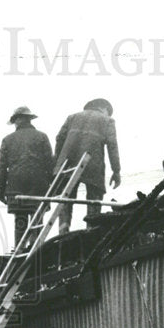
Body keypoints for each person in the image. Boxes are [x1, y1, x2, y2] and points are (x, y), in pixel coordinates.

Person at [53, 98, 121, 235]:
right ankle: (91, 233)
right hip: (92, 165)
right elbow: (112, 146)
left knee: (66, 201)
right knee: (94, 200)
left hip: (67, 166)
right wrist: (116, 171)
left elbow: (59, 138)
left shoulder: (72, 117)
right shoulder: (107, 121)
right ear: (104, 109)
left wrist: (58, 164)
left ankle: (63, 234)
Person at [0, 106, 54, 247]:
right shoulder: (42, 137)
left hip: (17, 186)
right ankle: (36, 252)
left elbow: (2, 167)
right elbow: (50, 164)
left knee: (20, 221)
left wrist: (1, 189)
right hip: (39, 186)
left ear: (18, 120)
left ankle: (19, 251)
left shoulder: (7, 140)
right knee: (37, 220)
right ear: (29, 119)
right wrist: (51, 185)